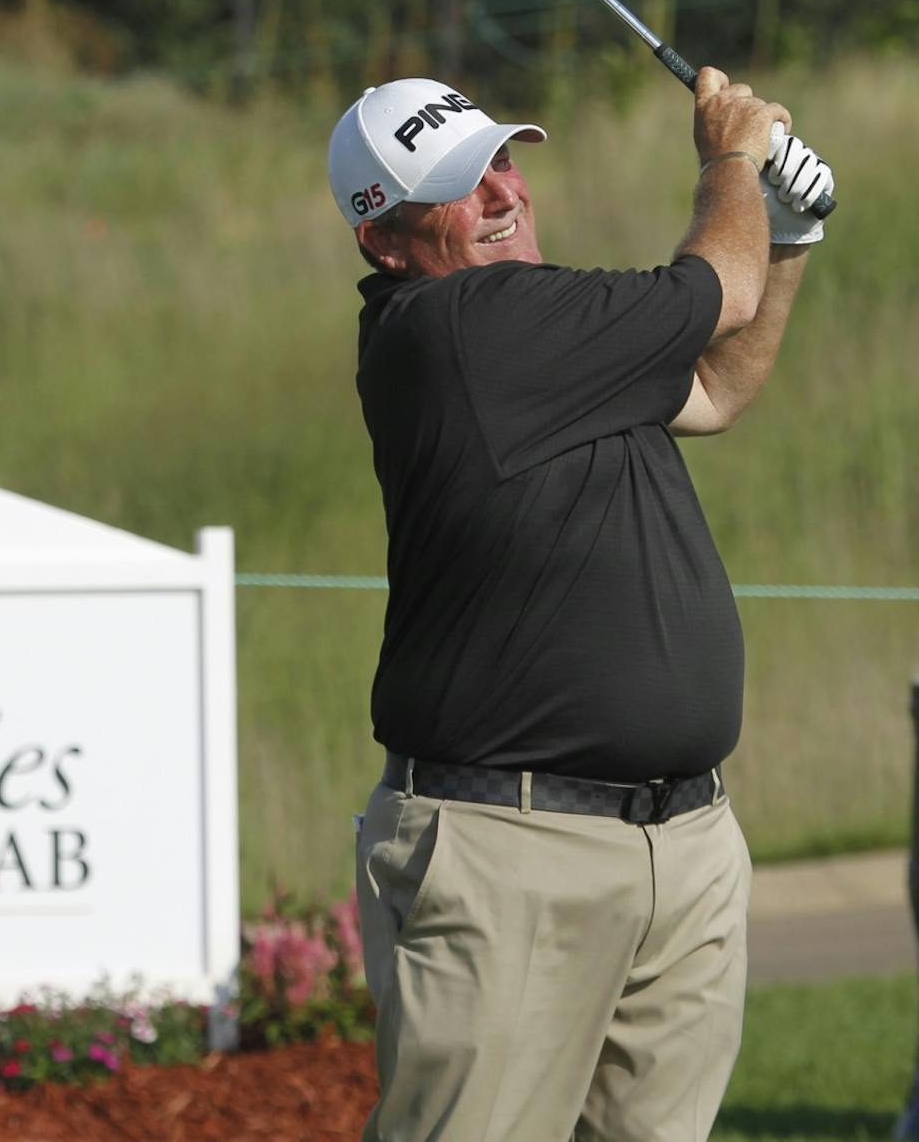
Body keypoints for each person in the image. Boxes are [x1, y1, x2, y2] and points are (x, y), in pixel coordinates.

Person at [327, 69, 835, 1142]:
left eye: (503, 159)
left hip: (680, 841)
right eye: (462, 185)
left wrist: (787, 235)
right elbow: (716, 290)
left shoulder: (557, 344)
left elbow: (716, 388)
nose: (505, 190)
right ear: (386, 241)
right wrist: (731, 158)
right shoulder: (457, 326)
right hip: (510, 852)